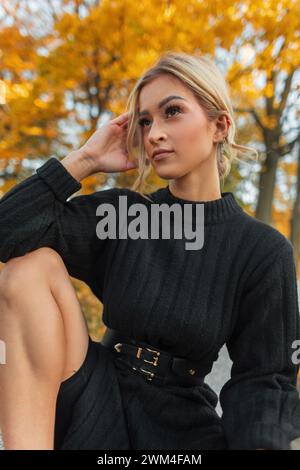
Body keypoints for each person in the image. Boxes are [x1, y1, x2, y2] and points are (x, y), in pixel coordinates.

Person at [0, 51, 300, 450]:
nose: (154, 132)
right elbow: (8, 233)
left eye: (172, 112)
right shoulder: (123, 215)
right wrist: (85, 160)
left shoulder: (261, 249)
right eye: (144, 121)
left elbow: (265, 381)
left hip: (181, 428)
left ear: (219, 126)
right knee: (30, 266)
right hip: (94, 395)